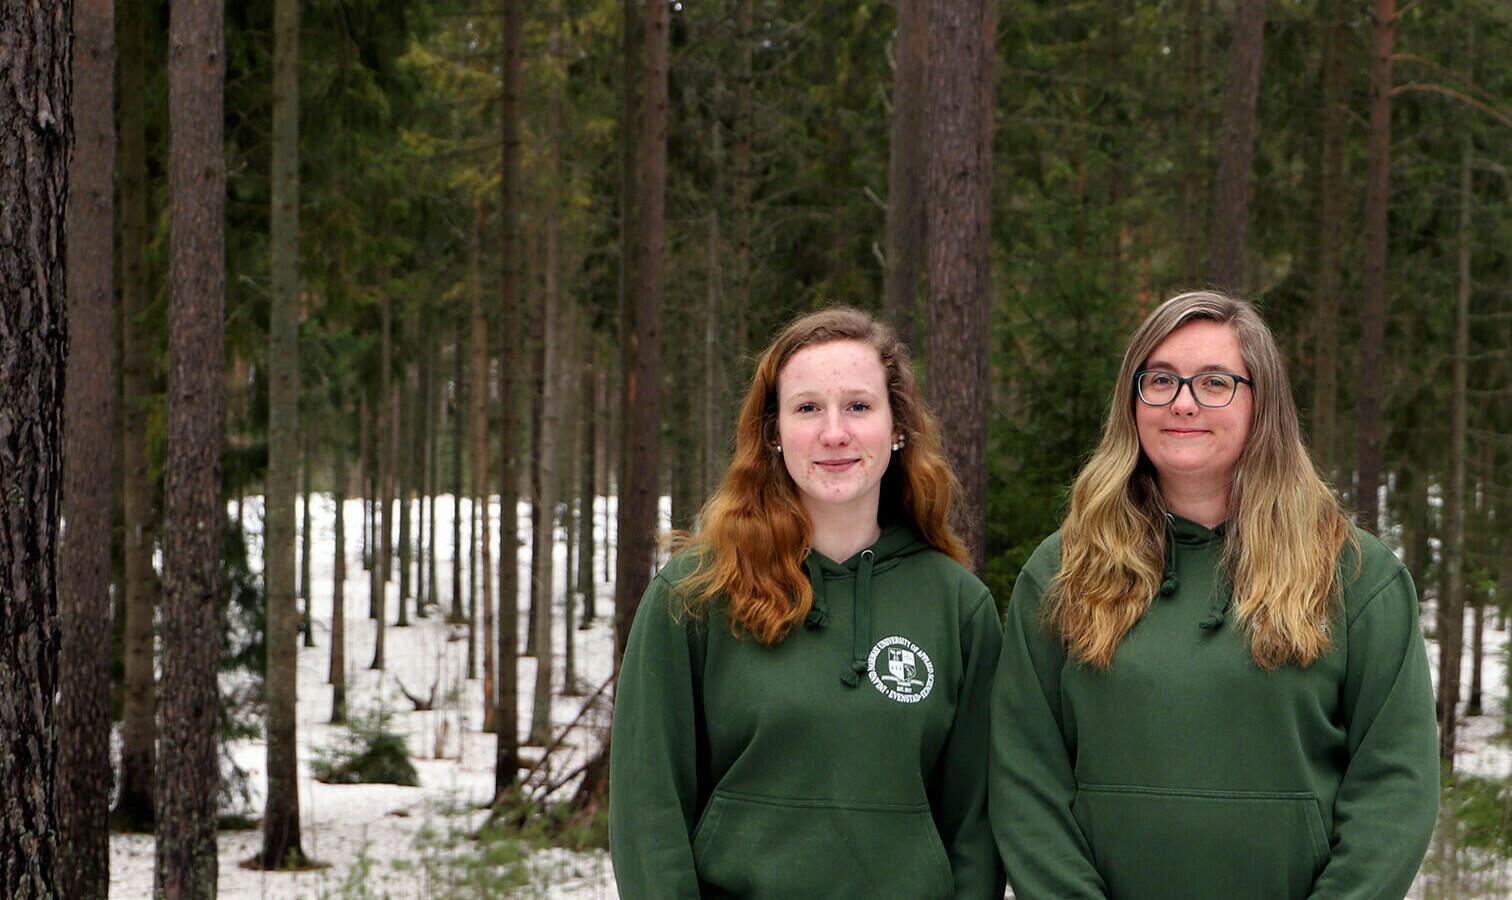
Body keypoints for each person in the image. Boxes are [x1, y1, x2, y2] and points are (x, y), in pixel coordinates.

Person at [990, 291, 1439, 900]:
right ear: (1133, 400)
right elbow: (1026, 780)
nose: (1182, 403)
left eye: (1214, 383)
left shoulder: (1357, 575)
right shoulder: (1064, 572)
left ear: (1262, 402)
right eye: (1160, 381)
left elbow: (1396, 788)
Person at [609, 307, 1006, 899]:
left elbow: (975, 829)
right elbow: (647, 812)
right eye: (807, 408)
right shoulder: (694, 595)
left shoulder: (958, 608)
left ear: (898, 427)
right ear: (773, 431)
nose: (834, 433)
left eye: (859, 406)